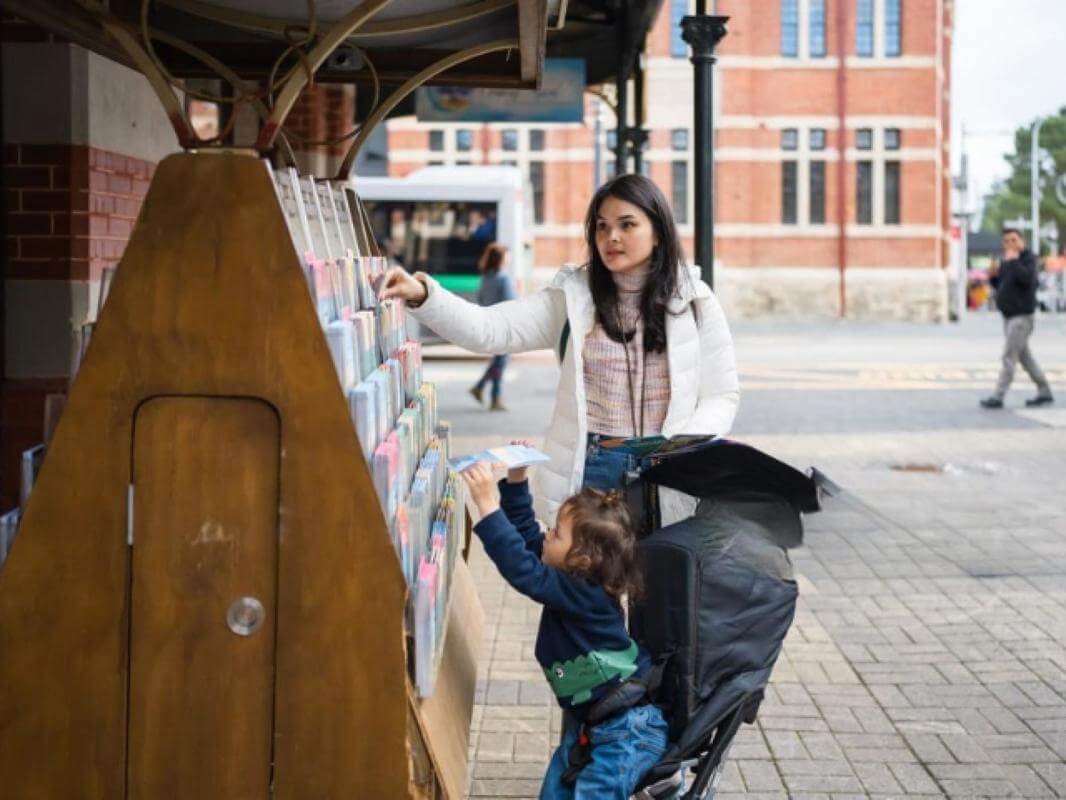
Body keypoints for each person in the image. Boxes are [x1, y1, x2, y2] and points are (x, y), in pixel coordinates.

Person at [380, 174, 739, 525]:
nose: (611, 237)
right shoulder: (572, 298)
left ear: (658, 232)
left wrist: (684, 447)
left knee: (661, 581)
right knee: (585, 584)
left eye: (627, 225)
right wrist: (424, 294)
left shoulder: (694, 300)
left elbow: (721, 395)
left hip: (668, 469)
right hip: (592, 467)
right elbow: (489, 330)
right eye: (601, 226)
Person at [460, 454, 668, 799]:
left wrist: (486, 504)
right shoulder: (574, 577)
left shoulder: (586, 595)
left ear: (581, 560)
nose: (547, 534)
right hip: (594, 723)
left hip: (626, 732)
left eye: (556, 533)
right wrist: (516, 481)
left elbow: (523, 570)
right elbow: (528, 543)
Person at [980, 228, 1054, 409]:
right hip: (1008, 317)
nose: (1010, 244)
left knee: (1008, 357)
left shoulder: (1030, 259)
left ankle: (998, 396)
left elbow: (1028, 280)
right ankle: (1044, 391)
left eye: (1014, 240)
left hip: (1022, 318)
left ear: (1022, 241)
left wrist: (1013, 261)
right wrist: (993, 277)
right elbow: (1001, 285)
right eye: (1006, 241)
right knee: (1025, 358)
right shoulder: (1006, 261)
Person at [469, 242, 516, 411]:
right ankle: (490, 394)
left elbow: (480, 299)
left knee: (499, 360)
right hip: (503, 325)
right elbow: (511, 303)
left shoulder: (485, 277)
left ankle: (484, 391)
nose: (509, 258)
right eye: (506, 255)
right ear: (500, 259)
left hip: (489, 323)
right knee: (501, 360)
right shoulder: (503, 278)